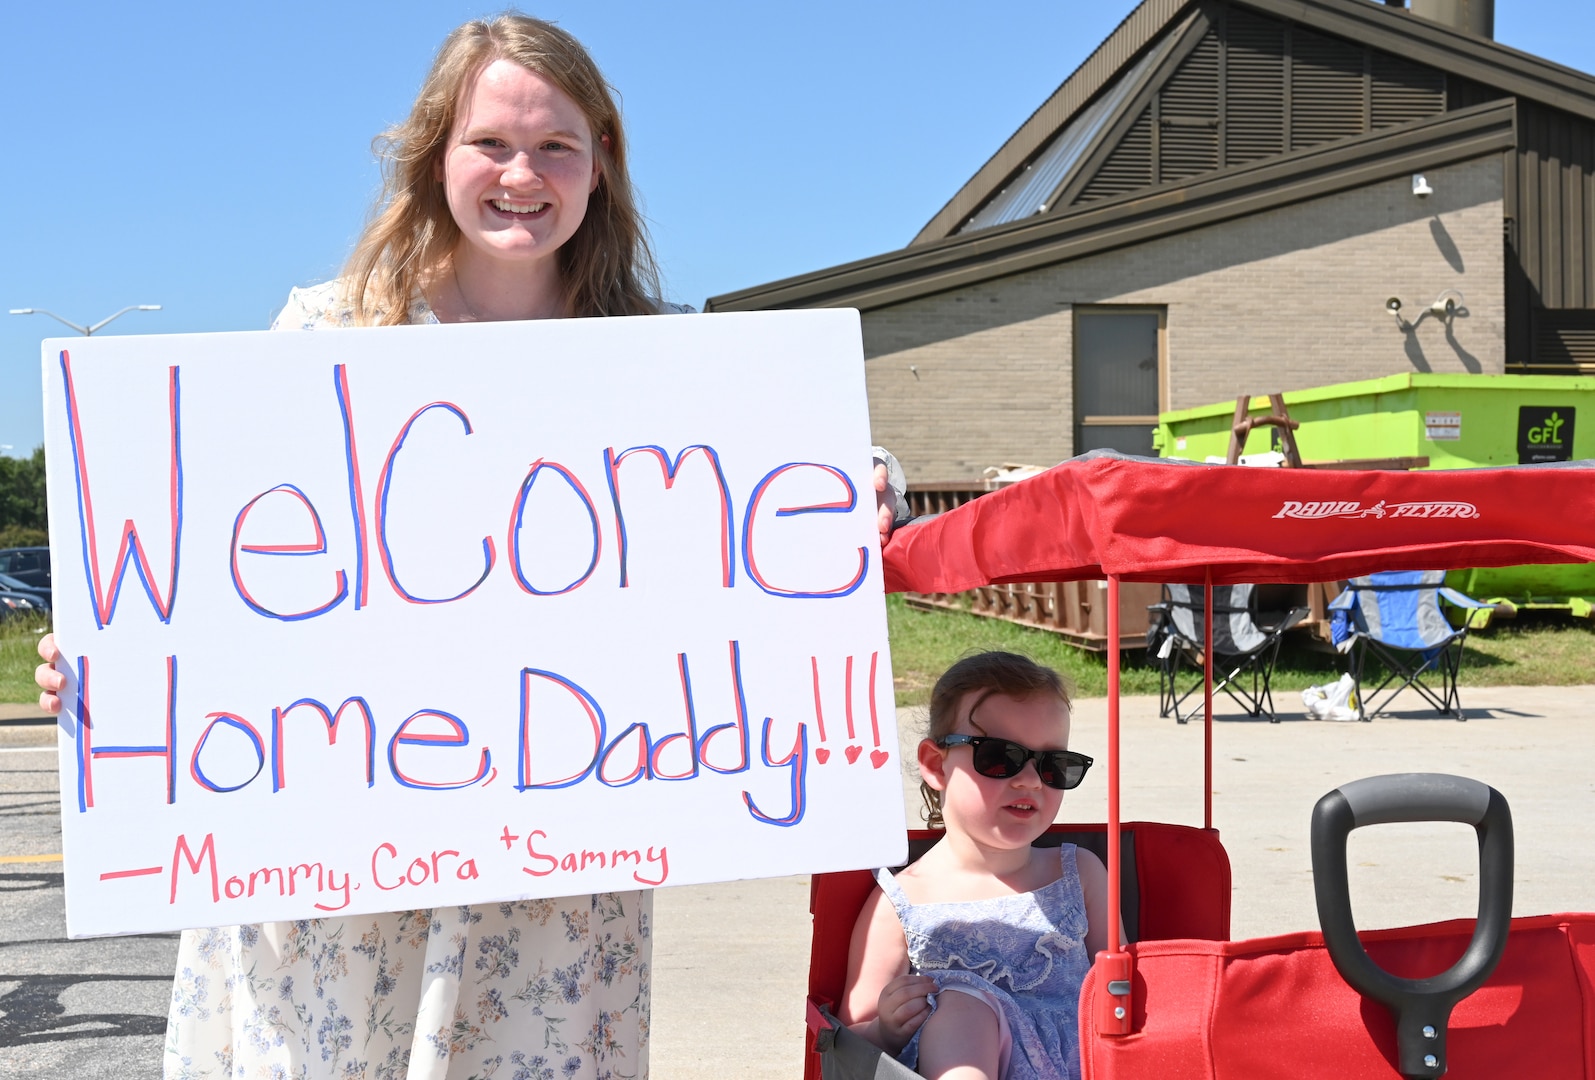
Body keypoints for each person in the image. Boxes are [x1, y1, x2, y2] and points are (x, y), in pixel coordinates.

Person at [34, 13, 904, 1078]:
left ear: (599, 169)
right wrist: (116, 666)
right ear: (435, 153)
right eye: (491, 142)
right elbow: (205, 575)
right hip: (334, 890)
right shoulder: (327, 335)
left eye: (554, 147)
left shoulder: (657, 358)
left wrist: (852, 495)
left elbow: (774, 486)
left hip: (550, 896)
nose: (520, 174)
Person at [838, 652, 1118, 1080]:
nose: (1029, 780)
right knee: (963, 1004)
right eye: (999, 757)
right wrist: (886, 1029)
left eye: (1053, 765)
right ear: (936, 765)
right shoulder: (901, 901)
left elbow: (1124, 990)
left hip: (1086, 1062)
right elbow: (846, 1037)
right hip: (968, 1062)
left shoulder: (1079, 873)